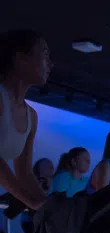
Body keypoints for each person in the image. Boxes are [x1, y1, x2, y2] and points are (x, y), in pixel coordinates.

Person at [0, 30, 52, 210]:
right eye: (44, 54)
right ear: (20, 58)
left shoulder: (32, 116)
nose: (50, 63)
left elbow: (25, 174)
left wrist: (50, 207)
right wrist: (32, 203)